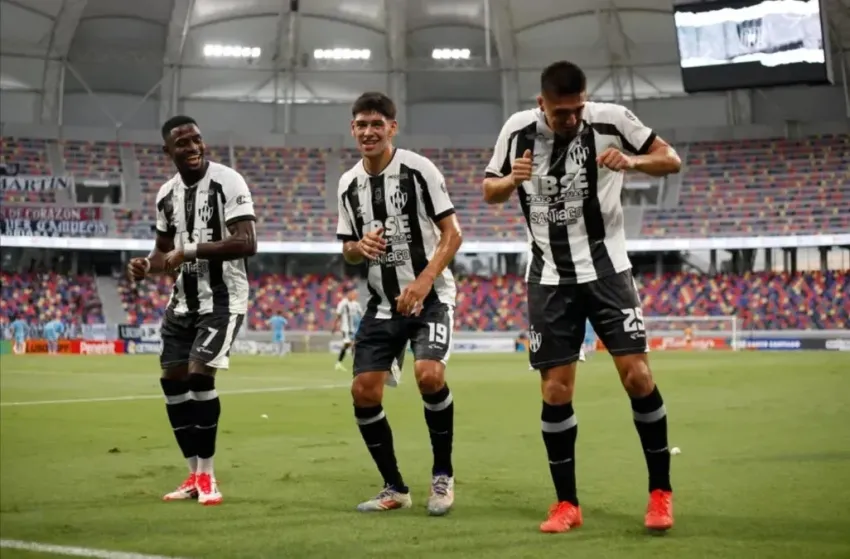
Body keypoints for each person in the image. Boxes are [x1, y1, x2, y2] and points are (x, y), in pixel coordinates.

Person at [482, 61, 682, 533]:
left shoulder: (612, 120)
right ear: (541, 104)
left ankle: (660, 493)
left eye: (576, 110)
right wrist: (513, 179)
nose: (570, 119)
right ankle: (566, 504)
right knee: (556, 389)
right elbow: (490, 190)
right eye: (560, 112)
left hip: (608, 270)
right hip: (549, 277)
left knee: (636, 376)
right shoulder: (516, 130)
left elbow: (670, 159)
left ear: (585, 101)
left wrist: (632, 161)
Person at [336, 92, 463, 516]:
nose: (368, 132)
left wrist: (424, 282)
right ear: (352, 129)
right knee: (363, 391)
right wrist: (360, 245)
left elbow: (453, 234)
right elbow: (347, 252)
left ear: (392, 127)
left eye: (376, 123)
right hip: (381, 304)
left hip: (431, 297)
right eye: (360, 124)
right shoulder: (348, 184)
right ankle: (394, 488)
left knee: (429, 376)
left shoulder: (418, 170)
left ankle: (442, 476)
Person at [126, 115, 257, 506]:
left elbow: (247, 241)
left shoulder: (227, 181)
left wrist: (192, 251)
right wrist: (146, 266)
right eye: (183, 143)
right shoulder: (166, 194)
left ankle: (208, 477)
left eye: (197, 140)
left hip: (223, 299)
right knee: (172, 382)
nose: (194, 147)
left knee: (201, 378)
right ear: (169, 151)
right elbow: (163, 251)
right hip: (182, 301)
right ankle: (192, 473)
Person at [333, 289, 363, 372]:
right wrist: (334, 326)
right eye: (354, 294)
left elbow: (361, 315)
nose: (355, 296)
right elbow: (338, 315)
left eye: (356, 295)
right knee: (352, 344)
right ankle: (357, 364)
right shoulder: (343, 303)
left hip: (354, 329)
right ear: (349, 294)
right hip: (346, 328)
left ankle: (338, 363)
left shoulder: (356, 304)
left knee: (347, 345)